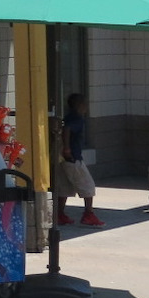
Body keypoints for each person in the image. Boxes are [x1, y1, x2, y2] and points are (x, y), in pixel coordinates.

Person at [54, 93, 102, 227]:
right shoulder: (77, 119)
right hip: (73, 157)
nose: (86, 107)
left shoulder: (68, 117)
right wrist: (68, 148)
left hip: (62, 159)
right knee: (88, 185)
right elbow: (67, 130)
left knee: (64, 187)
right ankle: (88, 214)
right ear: (79, 105)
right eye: (85, 104)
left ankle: (59, 214)